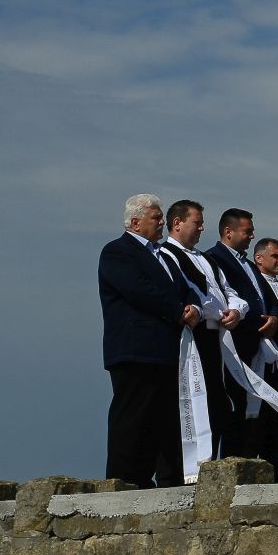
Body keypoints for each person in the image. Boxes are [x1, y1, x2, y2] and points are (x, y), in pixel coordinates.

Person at [99, 193, 199, 488]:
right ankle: (122, 479)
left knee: (160, 419)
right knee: (132, 416)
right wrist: (178, 311)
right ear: (134, 222)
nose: (161, 223)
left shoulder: (163, 257)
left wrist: (192, 305)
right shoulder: (118, 251)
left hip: (165, 352)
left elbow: (184, 288)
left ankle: (147, 478)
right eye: (156, 218)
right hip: (135, 350)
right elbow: (138, 290)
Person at [157, 199, 250, 476]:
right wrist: (220, 310)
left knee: (218, 406)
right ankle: (178, 472)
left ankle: (207, 467)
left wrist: (236, 310)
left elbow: (230, 291)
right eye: (196, 223)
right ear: (177, 223)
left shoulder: (207, 259)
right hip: (192, 339)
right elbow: (193, 295)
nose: (201, 228)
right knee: (189, 403)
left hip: (217, 339)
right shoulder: (167, 255)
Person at [204, 208, 277, 459]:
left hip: (253, 348)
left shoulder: (248, 264)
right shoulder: (213, 259)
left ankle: (241, 461)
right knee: (229, 407)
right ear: (228, 231)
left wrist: (274, 317)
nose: (251, 235)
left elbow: (264, 296)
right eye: (247, 231)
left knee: (248, 410)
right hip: (230, 346)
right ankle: (222, 464)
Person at [244, 237, 278, 479]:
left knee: (277, 424)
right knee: (256, 421)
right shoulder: (253, 285)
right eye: (275, 256)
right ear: (259, 258)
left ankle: (273, 474)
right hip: (259, 365)